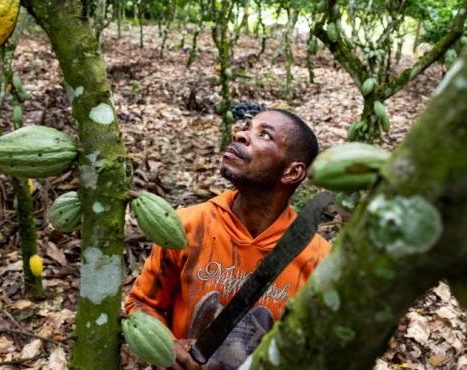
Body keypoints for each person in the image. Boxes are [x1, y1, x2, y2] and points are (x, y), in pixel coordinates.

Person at [124, 109, 330, 370]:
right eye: (246, 127)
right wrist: (168, 345)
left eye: (264, 135)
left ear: (292, 172)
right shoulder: (188, 226)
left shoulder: (318, 259)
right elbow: (140, 303)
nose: (241, 135)